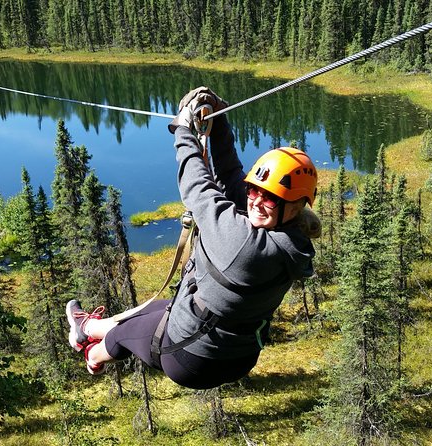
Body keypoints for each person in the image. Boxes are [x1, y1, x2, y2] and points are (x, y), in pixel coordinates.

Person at [66, 87, 319, 389]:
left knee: (123, 335)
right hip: (238, 354)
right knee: (153, 309)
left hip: (191, 358)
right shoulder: (289, 236)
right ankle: (88, 327)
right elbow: (231, 175)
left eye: (270, 198)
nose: (255, 200)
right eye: (255, 190)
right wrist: (220, 122)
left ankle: (92, 353)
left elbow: (198, 186)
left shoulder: (244, 244)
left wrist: (183, 129)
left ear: (295, 204)